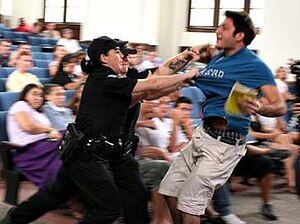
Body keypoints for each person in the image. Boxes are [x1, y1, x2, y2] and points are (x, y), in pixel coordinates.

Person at [0, 36, 199, 224]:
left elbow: (159, 74)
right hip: (85, 153)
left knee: (131, 197)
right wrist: (185, 76)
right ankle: (14, 218)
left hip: (108, 152)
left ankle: (14, 218)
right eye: (118, 52)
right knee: (107, 208)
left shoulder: (121, 78)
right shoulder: (103, 79)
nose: (124, 56)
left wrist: (186, 56)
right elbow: (153, 84)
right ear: (104, 58)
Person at [158, 11, 286, 224]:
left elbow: (279, 106)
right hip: (202, 136)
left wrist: (259, 108)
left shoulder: (255, 65)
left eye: (224, 27)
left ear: (239, 36)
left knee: (189, 202)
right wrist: (191, 53)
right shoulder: (217, 58)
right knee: (169, 189)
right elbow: (166, 73)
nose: (217, 31)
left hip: (225, 145)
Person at [6, 84, 62, 189]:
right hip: (27, 150)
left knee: (70, 144)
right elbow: (29, 127)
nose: (38, 98)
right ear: (25, 95)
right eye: (34, 94)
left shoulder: (40, 112)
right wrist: (50, 130)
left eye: (41, 95)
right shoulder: (20, 105)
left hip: (44, 146)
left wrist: (53, 134)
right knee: (68, 138)